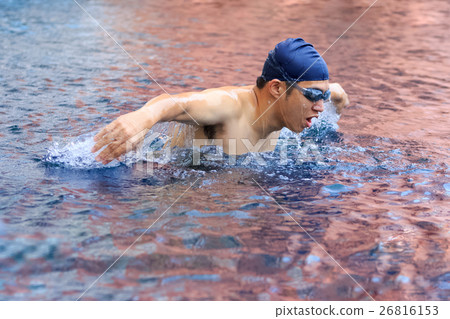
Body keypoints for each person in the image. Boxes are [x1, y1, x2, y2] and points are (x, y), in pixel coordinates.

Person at [92, 38, 349, 164]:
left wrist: (332, 95)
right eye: (314, 96)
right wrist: (141, 119)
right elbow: (173, 103)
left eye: (323, 96)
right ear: (277, 88)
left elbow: (336, 94)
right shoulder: (230, 106)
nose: (320, 106)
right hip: (173, 178)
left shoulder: (298, 108)